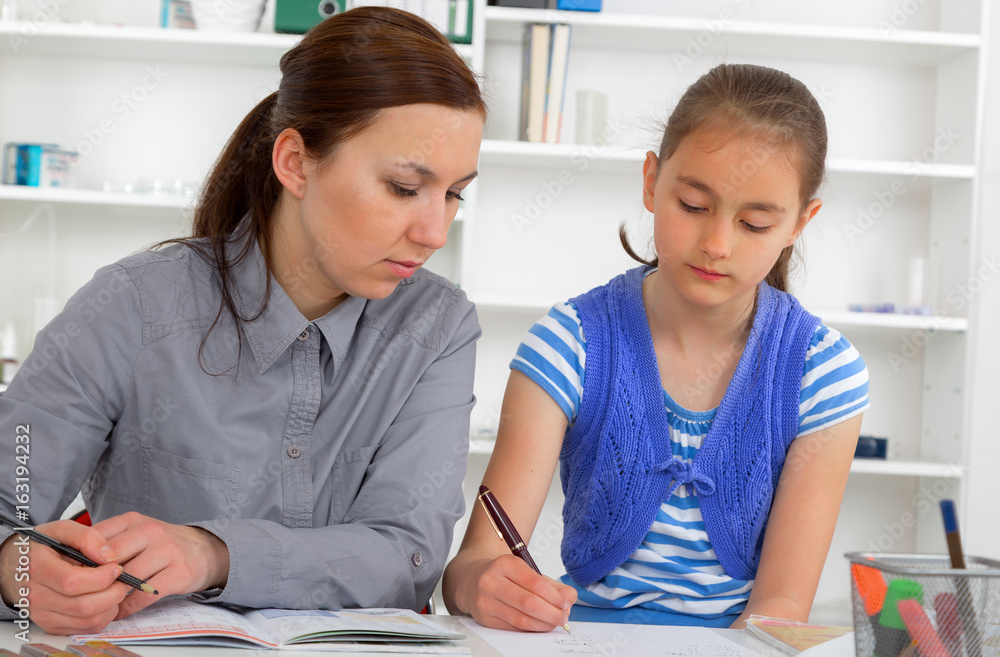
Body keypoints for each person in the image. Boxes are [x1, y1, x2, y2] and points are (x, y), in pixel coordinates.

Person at [0, 7, 485, 636]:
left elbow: (407, 556)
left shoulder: (437, 326)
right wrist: (15, 567)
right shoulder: (133, 305)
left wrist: (212, 553)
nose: (434, 232)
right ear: (295, 162)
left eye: (453, 194)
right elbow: (8, 504)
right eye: (402, 187)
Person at [443, 63, 869, 630]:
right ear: (651, 182)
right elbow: (472, 566)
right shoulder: (570, 344)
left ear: (800, 222)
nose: (716, 244)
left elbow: (779, 609)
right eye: (693, 206)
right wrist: (481, 584)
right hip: (581, 639)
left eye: (755, 224)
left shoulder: (823, 372)